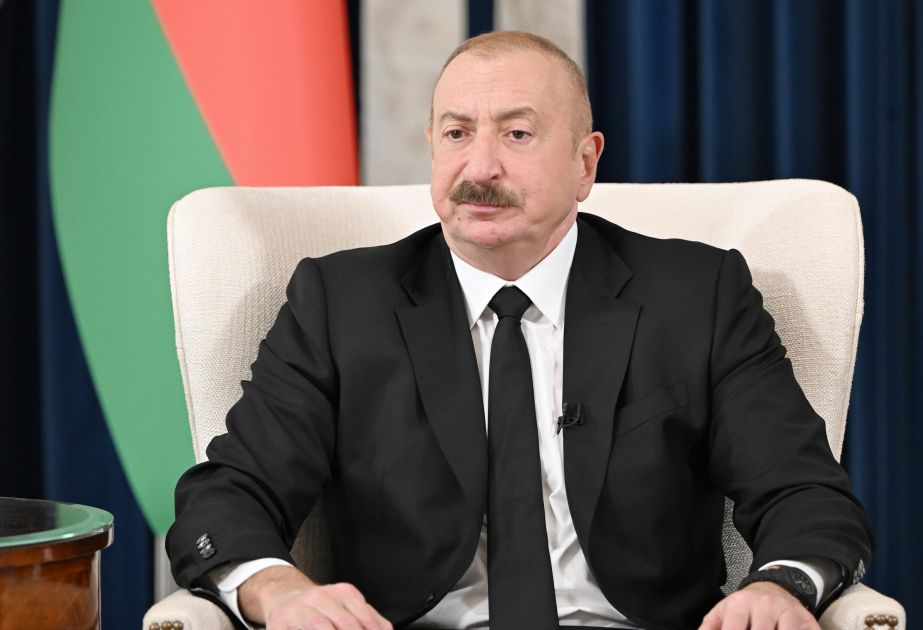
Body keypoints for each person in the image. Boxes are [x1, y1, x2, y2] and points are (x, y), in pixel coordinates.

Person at [167, 31, 873, 630]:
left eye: (517, 133)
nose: (480, 168)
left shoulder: (696, 295)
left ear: (584, 163)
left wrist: (780, 587)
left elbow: (805, 494)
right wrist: (277, 589)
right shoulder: (341, 302)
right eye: (456, 134)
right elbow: (227, 495)